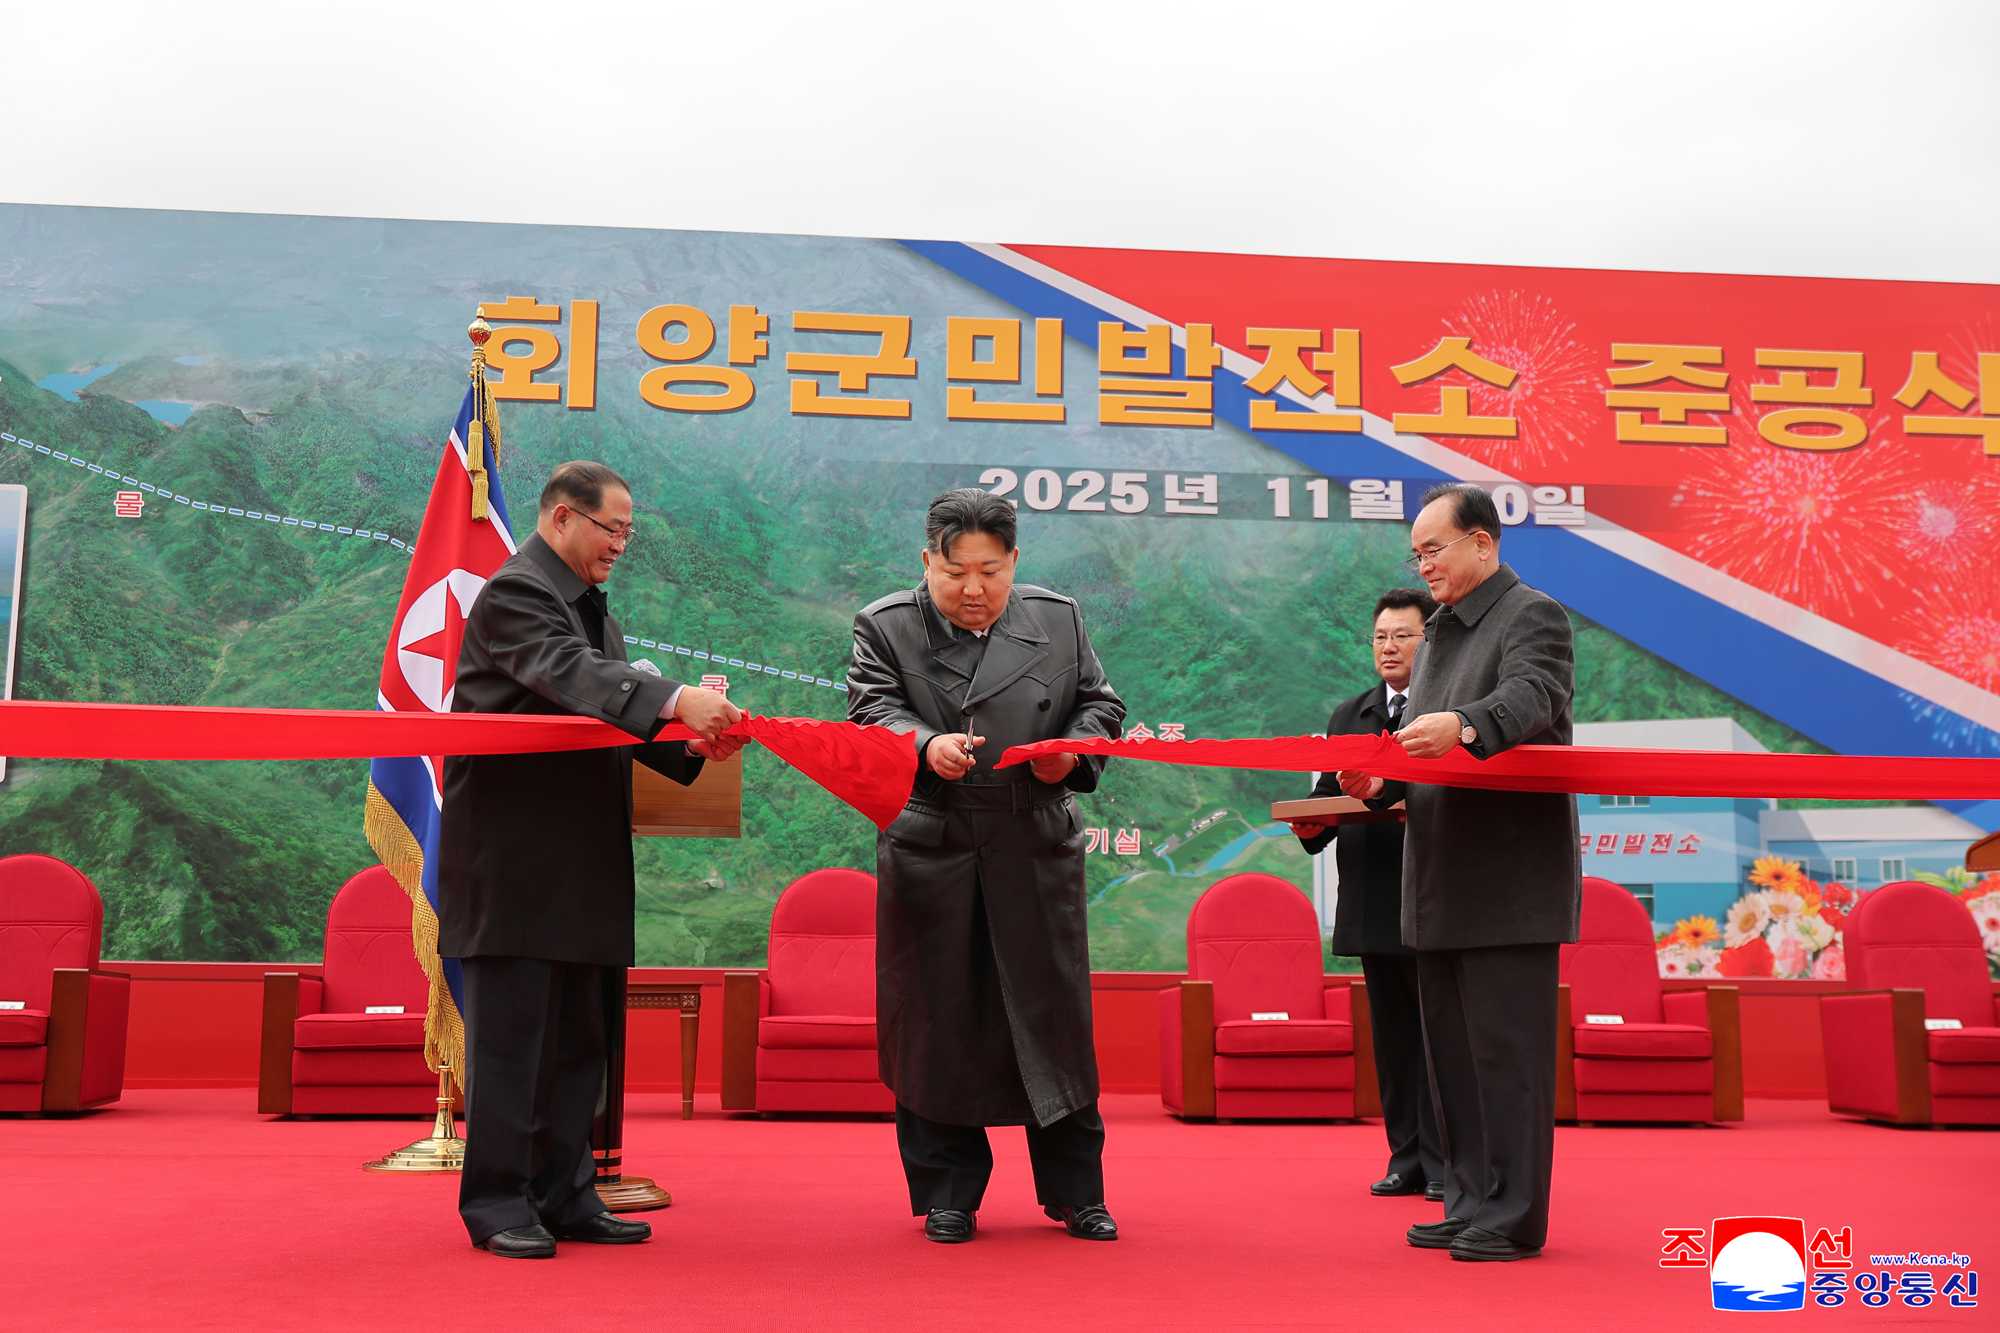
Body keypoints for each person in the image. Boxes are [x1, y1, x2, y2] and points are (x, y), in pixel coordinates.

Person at [439, 460, 745, 1259]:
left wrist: (691, 746)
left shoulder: (587, 606)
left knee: (580, 1045)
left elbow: (605, 712)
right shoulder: (516, 593)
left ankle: (566, 1192)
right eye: (612, 529)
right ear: (563, 517)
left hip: (582, 865)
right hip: (515, 866)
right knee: (513, 1046)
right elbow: (573, 676)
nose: (620, 545)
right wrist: (676, 700)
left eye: (628, 534)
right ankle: (498, 1201)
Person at [847, 487, 1126, 1245]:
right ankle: (948, 1191)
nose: (974, 590)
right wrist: (922, 744)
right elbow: (870, 709)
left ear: (1014, 561)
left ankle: (1077, 1192)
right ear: (926, 561)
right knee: (936, 1019)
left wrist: (1070, 753)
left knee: (1053, 1017)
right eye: (955, 572)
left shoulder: (1057, 617)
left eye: (991, 572)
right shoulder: (885, 624)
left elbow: (1100, 705)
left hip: (1032, 836)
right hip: (933, 842)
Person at [1338, 482, 1580, 1263]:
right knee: (1453, 1063)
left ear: (1484, 542)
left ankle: (1514, 1214)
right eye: (1417, 554)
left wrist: (1467, 724)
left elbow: (1534, 697)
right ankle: (1469, 1199)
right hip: (1436, 881)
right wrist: (1380, 783)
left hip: (1507, 883)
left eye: (1434, 549)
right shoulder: (1438, 633)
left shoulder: (1532, 614)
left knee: (1506, 1061)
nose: (1424, 566)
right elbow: (1422, 749)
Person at [1285, 586, 1445, 1203]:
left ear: (1432, 641)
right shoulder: (1350, 714)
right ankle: (1406, 1157)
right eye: (1380, 637)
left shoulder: (1447, 716)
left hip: (1436, 895)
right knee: (1395, 1039)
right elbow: (1330, 796)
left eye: (1403, 636)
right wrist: (1311, 824)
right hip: (1375, 897)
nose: (1389, 647)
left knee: (1439, 1039)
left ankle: (1446, 1162)